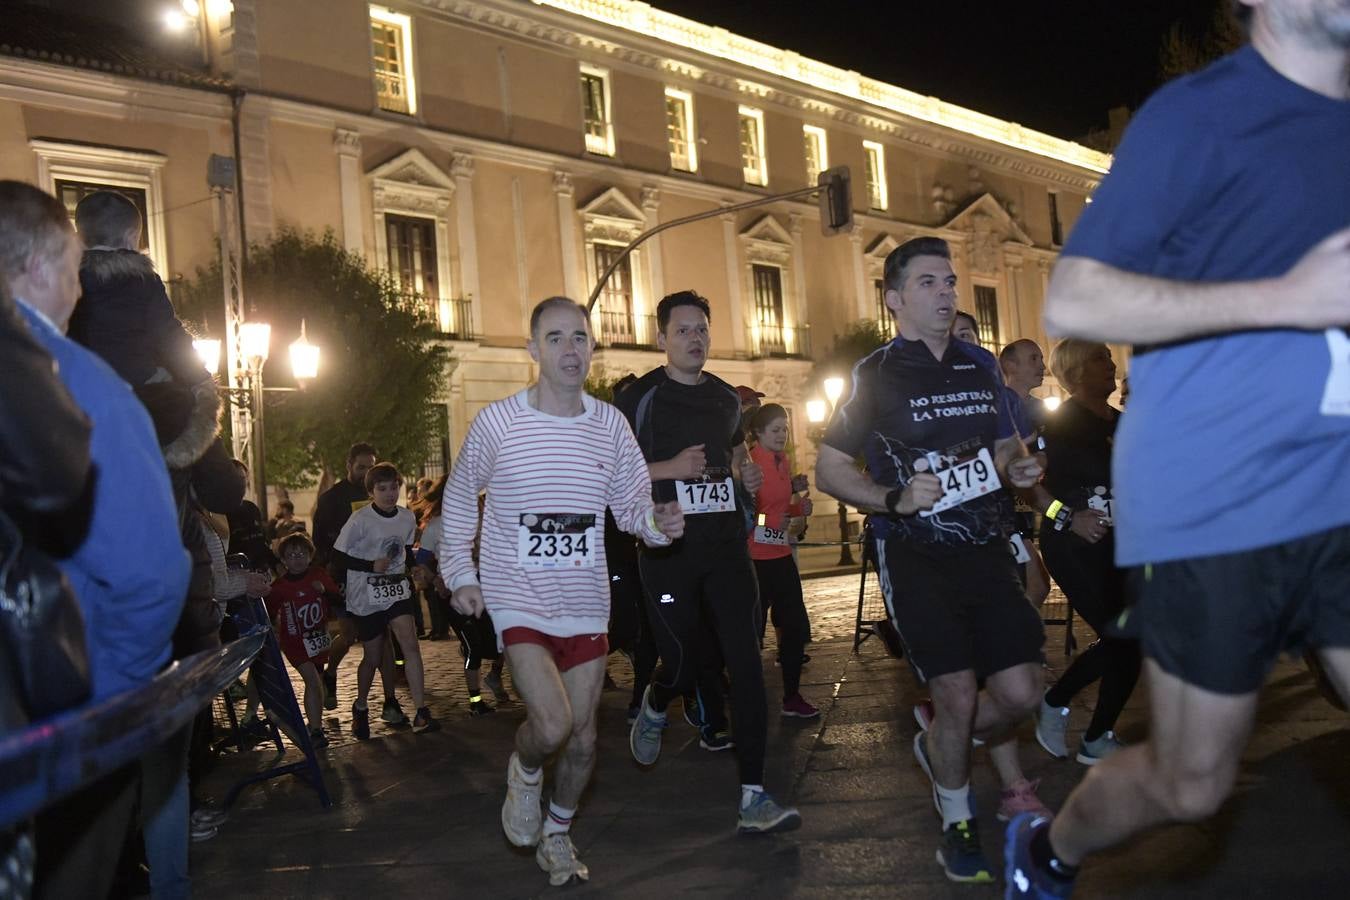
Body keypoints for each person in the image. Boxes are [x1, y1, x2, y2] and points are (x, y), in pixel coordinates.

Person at [1006, 3, 1350, 896]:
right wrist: (1289, 297)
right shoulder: (1199, 115)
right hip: (1216, 497)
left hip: (1337, 483)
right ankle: (1047, 852)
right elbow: (1077, 302)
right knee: (1191, 783)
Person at [815, 236, 1045, 883]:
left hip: (985, 548)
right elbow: (829, 468)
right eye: (928, 284)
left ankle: (941, 740)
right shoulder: (875, 375)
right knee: (956, 690)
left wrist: (1020, 465)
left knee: (1021, 692)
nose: (945, 293)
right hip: (914, 556)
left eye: (949, 282)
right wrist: (893, 496)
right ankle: (957, 820)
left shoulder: (979, 367)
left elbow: (1005, 447)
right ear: (894, 300)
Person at [440, 297, 684, 886]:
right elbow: (458, 496)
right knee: (550, 725)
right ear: (533, 350)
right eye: (555, 338)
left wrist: (657, 526)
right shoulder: (498, 423)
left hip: (584, 602)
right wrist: (461, 575)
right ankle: (524, 773)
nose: (569, 349)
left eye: (579, 338)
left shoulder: (609, 427)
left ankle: (557, 830)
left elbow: (631, 508)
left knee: (581, 738)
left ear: (591, 347)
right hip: (518, 595)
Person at [0, 180, 190, 900]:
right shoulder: (87, 390)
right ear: (45, 267)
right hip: (50, 733)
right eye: (72, 266)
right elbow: (149, 577)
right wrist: (100, 715)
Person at [619, 290, 801, 835]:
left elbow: (734, 455)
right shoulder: (641, 398)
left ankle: (754, 794)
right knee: (680, 661)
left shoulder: (726, 398)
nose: (694, 339)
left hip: (725, 547)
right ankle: (657, 699)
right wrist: (669, 466)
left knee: (745, 662)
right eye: (683, 331)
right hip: (667, 548)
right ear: (662, 339)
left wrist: (744, 473)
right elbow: (613, 472)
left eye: (701, 329)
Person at [1029, 340, 1139, 767]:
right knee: (1123, 636)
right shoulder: (1058, 426)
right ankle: (1056, 702)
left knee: (1135, 639)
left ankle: (1096, 737)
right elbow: (1028, 485)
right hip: (1075, 547)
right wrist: (1066, 516)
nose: (1110, 364)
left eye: (1108, 358)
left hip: (1122, 546)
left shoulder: (1124, 423)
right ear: (1074, 371)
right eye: (1098, 358)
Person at [66, 190, 218, 470]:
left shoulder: (64, 279)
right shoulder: (143, 280)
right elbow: (170, 337)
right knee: (197, 436)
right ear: (130, 238)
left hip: (77, 396)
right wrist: (202, 382)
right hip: (143, 392)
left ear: (79, 235)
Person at [333, 461, 437, 736]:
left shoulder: (406, 517)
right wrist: (370, 567)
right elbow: (337, 557)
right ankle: (361, 706)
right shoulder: (360, 520)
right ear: (371, 492)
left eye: (394, 487)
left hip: (395, 588)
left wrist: (413, 565)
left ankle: (420, 711)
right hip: (365, 592)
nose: (390, 493)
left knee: (410, 644)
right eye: (382, 489)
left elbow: (403, 548)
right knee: (373, 654)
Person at [313, 442, 399, 721]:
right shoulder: (331, 500)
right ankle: (331, 672)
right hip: (346, 579)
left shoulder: (380, 494)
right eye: (361, 467)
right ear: (348, 464)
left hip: (378, 577)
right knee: (348, 635)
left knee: (384, 638)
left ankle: (390, 702)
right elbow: (321, 545)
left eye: (370, 467)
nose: (365, 473)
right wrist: (331, 579)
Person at [745, 403, 818, 718]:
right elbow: (753, 514)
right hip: (756, 559)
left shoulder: (782, 460)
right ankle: (746, 699)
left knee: (794, 628)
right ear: (758, 434)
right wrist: (770, 523)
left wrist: (797, 510)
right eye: (775, 430)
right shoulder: (751, 464)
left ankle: (792, 696)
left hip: (782, 554)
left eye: (785, 429)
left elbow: (777, 509)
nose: (782, 435)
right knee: (753, 632)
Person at [415, 475, 508, 715]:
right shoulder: (435, 526)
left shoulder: (482, 520)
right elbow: (422, 562)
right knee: (473, 646)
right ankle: (475, 701)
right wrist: (435, 579)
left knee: (503, 640)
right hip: (452, 595)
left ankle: (492, 674)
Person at [264, 532, 340, 746]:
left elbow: (338, 599)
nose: (296, 558)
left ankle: (314, 723)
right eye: (291, 555)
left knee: (315, 682)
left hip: (318, 641)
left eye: (301, 554)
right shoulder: (280, 587)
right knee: (313, 682)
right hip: (295, 644)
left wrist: (324, 591)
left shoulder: (319, 576)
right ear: (284, 560)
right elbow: (267, 610)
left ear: (310, 555)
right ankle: (316, 731)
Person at [998, 339, 1052, 609]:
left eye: (1041, 359)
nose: (1042, 366)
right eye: (1033, 358)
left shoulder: (1040, 410)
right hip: (999, 518)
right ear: (1010, 365)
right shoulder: (996, 408)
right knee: (1036, 585)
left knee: (1035, 585)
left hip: (1022, 515)